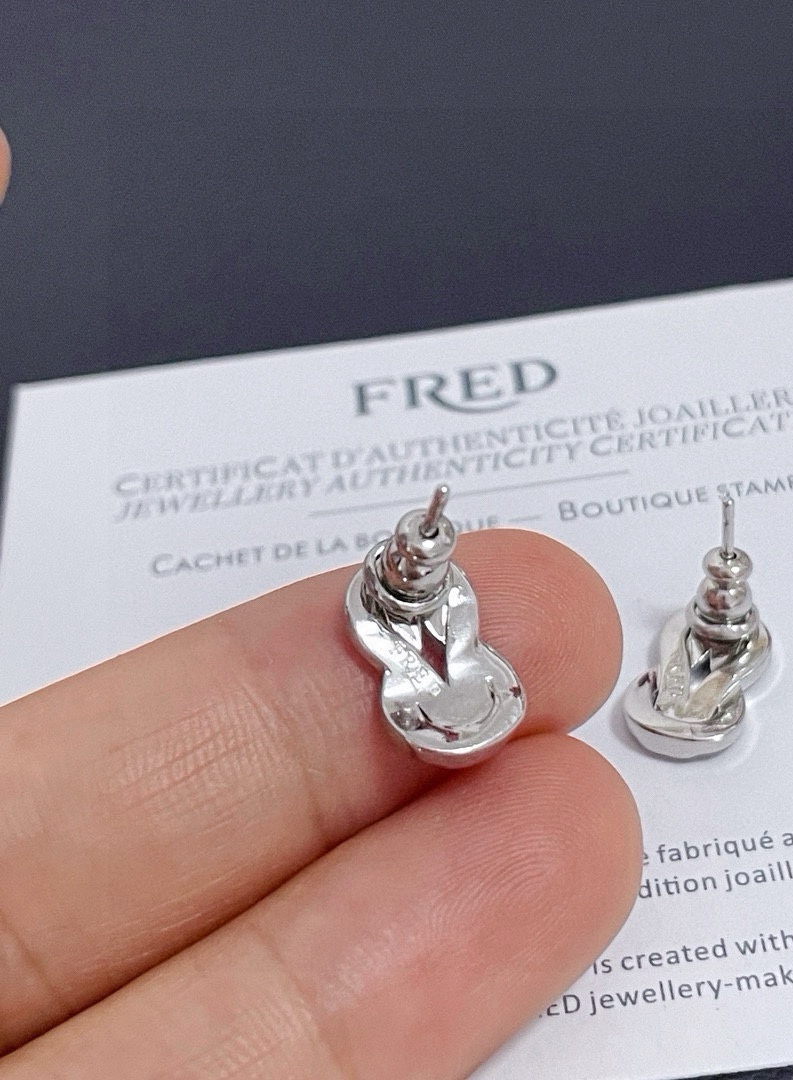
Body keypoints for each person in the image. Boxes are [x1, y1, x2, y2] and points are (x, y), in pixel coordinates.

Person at [0, 128, 641, 1078]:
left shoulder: (450, 616)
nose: (421, 557)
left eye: (427, 556)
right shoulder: (391, 612)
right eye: (414, 556)